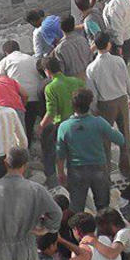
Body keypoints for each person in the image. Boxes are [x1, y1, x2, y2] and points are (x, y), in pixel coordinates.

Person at [57, 88, 125, 212]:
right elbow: (120, 140)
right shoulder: (99, 123)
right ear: (89, 104)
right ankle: (103, 229)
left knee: (77, 208)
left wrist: (61, 173)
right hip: (98, 167)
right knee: (103, 207)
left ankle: (79, 229)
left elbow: (60, 154)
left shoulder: (64, 127)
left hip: (76, 170)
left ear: (72, 104)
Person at [86, 32, 130, 179]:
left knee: (105, 140)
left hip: (105, 104)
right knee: (125, 135)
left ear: (95, 46)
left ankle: (106, 174)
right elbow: (127, 80)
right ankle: (128, 170)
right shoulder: (118, 61)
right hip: (121, 100)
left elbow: (93, 92)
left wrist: (94, 108)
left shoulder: (92, 68)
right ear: (109, 44)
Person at [39, 56, 85, 186]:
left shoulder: (51, 87)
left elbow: (51, 112)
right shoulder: (77, 81)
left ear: (47, 71)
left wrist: (41, 126)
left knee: (52, 151)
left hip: (62, 125)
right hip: (79, 122)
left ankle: (54, 179)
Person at [0, 40, 45, 141]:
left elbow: (3, 83)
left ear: (5, 52)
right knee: (30, 123)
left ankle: (25, 148)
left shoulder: (4, 61)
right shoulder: (32, 59)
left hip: (19, 99)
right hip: (36, 97)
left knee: (20, 129)